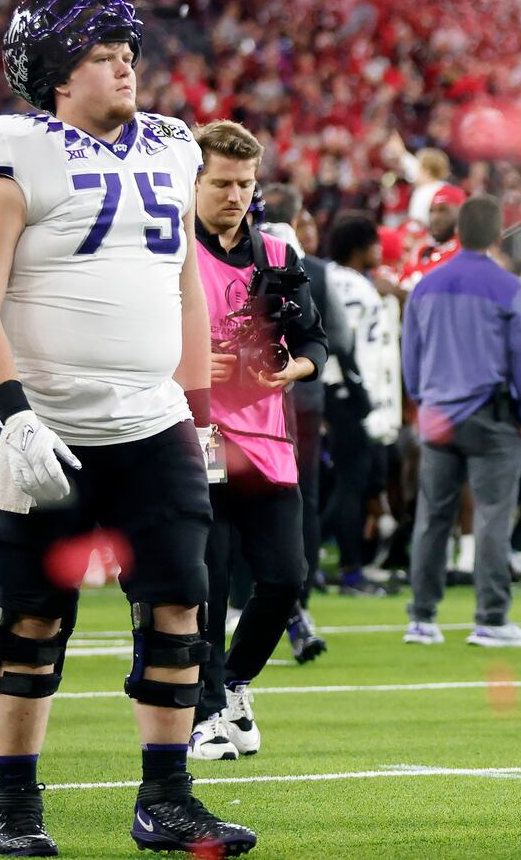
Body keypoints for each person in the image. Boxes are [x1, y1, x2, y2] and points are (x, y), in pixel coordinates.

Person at [0, 0, 255, 856]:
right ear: (54, 72)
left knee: (179, 611)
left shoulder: (171, 144)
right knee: (32, 621)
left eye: (126, 51)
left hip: (152, 421)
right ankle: (14, 807)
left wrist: (197, 413)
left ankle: (167, 799)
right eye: (99, 54)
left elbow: (185, 290)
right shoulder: (10, 151)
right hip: (44, 422)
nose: (124, 64)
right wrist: (11, 416)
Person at [183, 121, 326, 763]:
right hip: (198, 437)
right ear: (194, 182)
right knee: (207, 582)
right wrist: (185, 361)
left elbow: (317, 341)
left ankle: (234, 684)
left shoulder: (277, 256)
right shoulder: (169, 252)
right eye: (220, 183)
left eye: (244, 183)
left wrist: (292, 367)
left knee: (284, 579)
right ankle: (204, 711)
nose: (234, 195)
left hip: (268, 441)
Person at [400, 195, 521, 647]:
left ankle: (421, 619)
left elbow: (410, 357)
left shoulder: (425, 285)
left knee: (432, 517)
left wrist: (425, 402)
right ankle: (492, 619)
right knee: (492, 517)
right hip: (492, 415)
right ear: (499, 235)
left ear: (458, 232)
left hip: (438, 415)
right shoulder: (509, 287)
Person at [260, 182, 337, 658]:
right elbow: (332, 337)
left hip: (243, 399)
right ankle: (298, 602)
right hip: (298, 404)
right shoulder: (315, 269)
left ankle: (253, 600)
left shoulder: (232, 253)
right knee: (296, 502)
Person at [322, 212, 404, 595]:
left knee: (359, 482)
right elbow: (344, 344)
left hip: (352, 395)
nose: (379, 250)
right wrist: (357, 391)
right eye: (373, 243)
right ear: (358, 247)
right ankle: (350, 570)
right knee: (351, 484)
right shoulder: (349, 286)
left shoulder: (352, 281)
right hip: (349, 394)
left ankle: (342, 565)